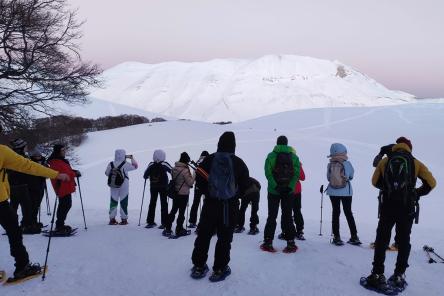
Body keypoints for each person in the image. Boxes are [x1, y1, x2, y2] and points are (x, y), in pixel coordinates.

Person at [364, 137, 436, 292]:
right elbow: (431, 183)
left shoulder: (385, 161)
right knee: (403, 240)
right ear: (409, 148)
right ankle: (399, 275)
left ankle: (377, 274)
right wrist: (415, 193)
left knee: (382, 239)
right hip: (407, 207)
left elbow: (374, 181)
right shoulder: (415, 162)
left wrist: (388, 189)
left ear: (396, 147)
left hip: (387, 206)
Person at [0, 142, 69, 280]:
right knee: (14, 230)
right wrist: (56, 175)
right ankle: (23, 267)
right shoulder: (2, 151)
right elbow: (28, 166)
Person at [191, 132, 249, 282]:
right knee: (224, 238)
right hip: (229, 208)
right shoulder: (239, 163)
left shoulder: (209, 160)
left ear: (219, 143)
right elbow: (245, 185)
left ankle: (199, 266)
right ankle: (219, 269)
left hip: (210, 205)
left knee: (204, 236)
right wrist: (234, 196)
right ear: (234, 145)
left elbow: (200, 179)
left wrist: (209, 194)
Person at [261, 135, 300, 253]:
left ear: (277, 143)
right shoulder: (294, 157)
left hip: (274, 191)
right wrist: (290, 187)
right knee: (287, 216)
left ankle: (268, 242)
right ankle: (291, 243)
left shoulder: (271, 156)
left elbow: (268, 173)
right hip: (289, 192)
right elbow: (296, 174)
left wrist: (276, 186)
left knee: (272, 216)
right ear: (287, 144)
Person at [326, 143, 361, 246]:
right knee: (348, 212)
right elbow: (351, 176)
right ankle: (354, 236)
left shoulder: (330, 164)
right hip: (346, 192)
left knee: (335, 212)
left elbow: (328, 178)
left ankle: (336, 237)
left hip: (332, 191)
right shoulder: (347, 163)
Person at [47, 144, 81, 233]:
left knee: (66, 205)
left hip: (66, 186)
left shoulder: (61, 160)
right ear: (58, 151)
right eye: (62, 150)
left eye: (64, 150)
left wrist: (74, 171)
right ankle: (59, 225)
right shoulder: (55, 162)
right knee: (64, 205)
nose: (64, 152)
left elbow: (68, 171)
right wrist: (74, 174)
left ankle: (60, 224)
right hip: (61, 186)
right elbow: (63, 173)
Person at [372, 143, 399, 250]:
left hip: (387, 195)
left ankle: (380, 243)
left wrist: (380, 154)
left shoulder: (385, 161)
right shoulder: (408, 160)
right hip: (405, 197)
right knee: (401, 221)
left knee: (384, 222)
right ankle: (398, 244)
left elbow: (374, 164)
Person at [163, 152, 194, 237]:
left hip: (175, 193)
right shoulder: (185, 170)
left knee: (173, 210)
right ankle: (179, 229)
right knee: (181, 212)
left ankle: (168, 227)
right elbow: (190, 183)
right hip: (183, 194)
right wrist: (194, 175)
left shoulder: (174, 168)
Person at [7, 139, 33, 234]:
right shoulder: (18, 157)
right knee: (25, 206)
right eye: (25, 146)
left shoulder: (15, 156)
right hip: (19, 185)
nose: (26, 147)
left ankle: (14, 226)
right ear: (21, 148)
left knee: (15, 206)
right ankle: (24, 225)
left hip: (16, 185)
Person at [105, 149, 138, 225]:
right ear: (124, 155)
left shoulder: (111, 164)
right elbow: (135, 166)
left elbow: (107, 173)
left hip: (113, 185)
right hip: (124, 185)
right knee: (123, 201)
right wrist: (132, 158)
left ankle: (112, 219)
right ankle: (124, 219)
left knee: (113, 201)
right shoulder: (125, 164)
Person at [143, 149, 172, 229]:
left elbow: (145, 175)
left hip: (153, 186)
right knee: (164, 204)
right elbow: (173, 172)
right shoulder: (165, 164)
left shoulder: (151, 164)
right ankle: (164, 223)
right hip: (164, 187)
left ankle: (150, 222)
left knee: (152, 203)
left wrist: (150, 176)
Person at [279, 161, 306, 241]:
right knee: (297, 210)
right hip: (297, 190)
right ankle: (299, 231)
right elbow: (303, 177)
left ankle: (285, 231)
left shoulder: (281, 162)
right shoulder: (297, 163)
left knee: (286, 211)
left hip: (286, 190)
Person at [27, 147, 48, 233]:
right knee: (33, 204)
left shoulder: (43, 161)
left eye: (39, 155)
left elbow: (47, 171)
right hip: (32, 186)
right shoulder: (30, 162)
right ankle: (31, 222)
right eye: (36, 156)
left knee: (37, 204)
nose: (38, 157)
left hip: (41, 185)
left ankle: (34, 222)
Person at [188, 151, 210, 228]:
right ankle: (204, 221)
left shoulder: (197, 163)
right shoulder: (209, 162)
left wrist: (191, 183)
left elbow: (194, 175)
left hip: (197, 186)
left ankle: (192, 221)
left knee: (195, 203)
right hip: (206, 186)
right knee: (206, 204)